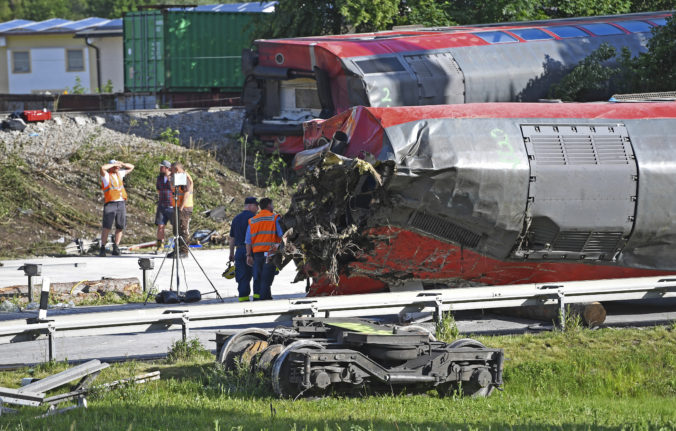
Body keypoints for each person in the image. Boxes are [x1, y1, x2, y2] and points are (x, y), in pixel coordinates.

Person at [245, 197, 283, 300]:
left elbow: (248, 241)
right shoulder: (274, 218)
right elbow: (282, 235)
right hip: (270, 254)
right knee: (266, 280)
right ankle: (263, 301)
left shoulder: (252, 220)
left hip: (257, 254)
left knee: (259, 278)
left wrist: (248, 255)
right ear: (269, 205)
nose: (273, 207)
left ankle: (266, 298)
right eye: (272, 205)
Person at [99, 159, 134, 257]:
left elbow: (131, 167)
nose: (118, 168)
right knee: (107, 227)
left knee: (120, 226)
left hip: (121, 203)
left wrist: (121, 163)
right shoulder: (106, 176)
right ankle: (102, 247)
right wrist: (113, 164)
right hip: (110, 203)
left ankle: (116, 246)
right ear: (111, 166)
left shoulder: (119, 174)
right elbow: (102, 168)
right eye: (115, 166)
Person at [229, 197, 259, 301]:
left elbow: (232, 237)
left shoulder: (236, 218)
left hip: (239, 251)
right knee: (256, 275)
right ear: (250, 206)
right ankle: (258, 299)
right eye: (256, 206)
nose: (258, 209)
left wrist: (231, 253)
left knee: (242, 278)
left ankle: (243, 299)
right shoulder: (254, 218)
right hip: (252, 251)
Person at [169, 162, 193, 258]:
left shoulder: (185, 177)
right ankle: (177, 250)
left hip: (184, 207)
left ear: (177, 169)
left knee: (183, 229)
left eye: (172, 169)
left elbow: (186, 193)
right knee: (176, 229)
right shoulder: (177, 177)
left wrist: (181, 207)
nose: (170, 171)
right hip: (177, 206)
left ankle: (184, 251)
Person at [154, 160, 174, 253]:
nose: (160, 168)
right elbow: (158, 189)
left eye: (162, 167)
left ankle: (177, 246)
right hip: (162, 205)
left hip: (172, 206)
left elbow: (176, 190)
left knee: (175, 226)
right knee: (160, 226)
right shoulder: (159, 178)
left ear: (167, 168)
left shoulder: (174, 177)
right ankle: (160, 246)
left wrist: (170, 181)